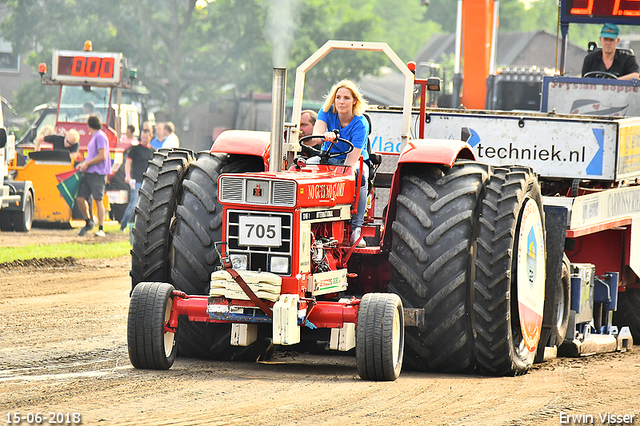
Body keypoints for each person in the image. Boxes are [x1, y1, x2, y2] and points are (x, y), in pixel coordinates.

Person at [312, 79, 370, 247]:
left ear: (354, 101)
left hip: (354, 159)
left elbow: (351, 161)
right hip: (328, 156)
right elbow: (316, 136)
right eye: (338, 97)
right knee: (302, 168)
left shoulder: (360, 123)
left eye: (346, 98)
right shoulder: (326, 111)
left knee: (359, 176)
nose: (341, 101)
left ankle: (356, 229)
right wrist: (325, 136)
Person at [76, 115, 111, 237]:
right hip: (88, 172)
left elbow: (102, 156)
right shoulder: (94, 137)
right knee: (80, 198)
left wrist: (87, 163)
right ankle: (88, 222)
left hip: (98, 173)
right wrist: (84, 164)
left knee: (98, 200)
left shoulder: (100, 136)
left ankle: (101, 228)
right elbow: (92, 156)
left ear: (89, 125)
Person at [119, 128, 155, 231]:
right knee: (134, 204)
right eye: (142, 137)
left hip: (149, 181)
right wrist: (127, 175)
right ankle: (123, 224)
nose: (144, 139)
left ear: (150, 138)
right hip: (137, 180)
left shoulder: (153, 151)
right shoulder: (135, 149)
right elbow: (128, 163)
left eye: (146, 137)